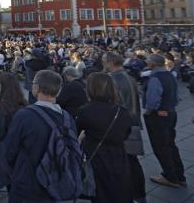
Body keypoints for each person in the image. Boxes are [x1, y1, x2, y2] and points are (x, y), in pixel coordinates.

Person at [0, 70, 81, 202]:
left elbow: (9, 150)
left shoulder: (24, 115)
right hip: (54, 183)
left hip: (27, 183)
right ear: (58, 91)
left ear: (37, 88)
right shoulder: (67, 118)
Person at [76, 72, 133, 203]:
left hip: (95, 156)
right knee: (119, 189)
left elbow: (78, 130)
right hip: (118, 156)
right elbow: (126, 133)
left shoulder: (85, 110)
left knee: (100, 192)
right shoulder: (122, 111)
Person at [103, 51, 146, 201]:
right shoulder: (129, 77)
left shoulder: (112, 80)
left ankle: (130, 195)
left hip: (121, 126)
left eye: (104, 61)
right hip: (132, 122)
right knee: (132, 161)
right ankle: (139, 195)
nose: (103, 64)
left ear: (110, 62)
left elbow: (110, 106)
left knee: (125, 163)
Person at [143, 53, 186, 187]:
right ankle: (180, 176)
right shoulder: (170, 75)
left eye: (148, 60)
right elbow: (177, 96)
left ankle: (170, 177)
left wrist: (149, 112)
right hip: (171, 113)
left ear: (153, 64)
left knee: (161, 147)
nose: (146, 62)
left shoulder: (155, 78)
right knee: (171, 145)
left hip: (159, 116)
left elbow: (152, 101)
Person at [0, 72, 27, 144]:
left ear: (3, 86)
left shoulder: (2, 106)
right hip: (21, 140)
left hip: (8, 142)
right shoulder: (23, 102)